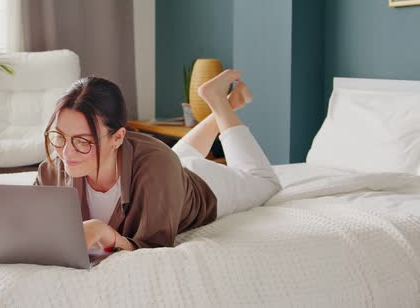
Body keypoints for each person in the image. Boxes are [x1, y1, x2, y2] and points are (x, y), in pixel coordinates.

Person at [34, 69, 281, 251]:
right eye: (60, 136)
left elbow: (153, 248)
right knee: (171, 158)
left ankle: (219, 102)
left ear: (118, 137)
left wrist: (105, 232)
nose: (66, 152)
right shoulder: (53, 169)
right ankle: (227, 102)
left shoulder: (157, 169)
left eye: (82, 141)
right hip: (167, 168)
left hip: (201, 184)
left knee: (265, 183)